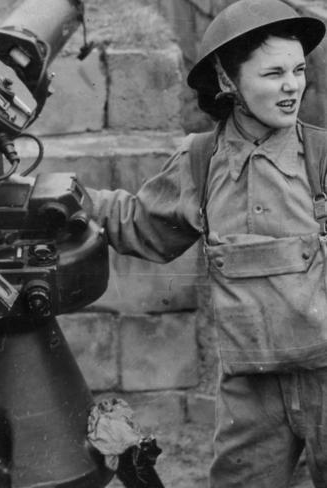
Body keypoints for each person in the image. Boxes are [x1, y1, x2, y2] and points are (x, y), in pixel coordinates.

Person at [88, 0, 327, 486]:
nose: (291, 87)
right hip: (250, 393)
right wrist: (73, 199)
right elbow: (138, 224)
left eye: (299, 70)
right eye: (273, 73)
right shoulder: (201, 162)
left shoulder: (322, 156)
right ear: (227, 81)